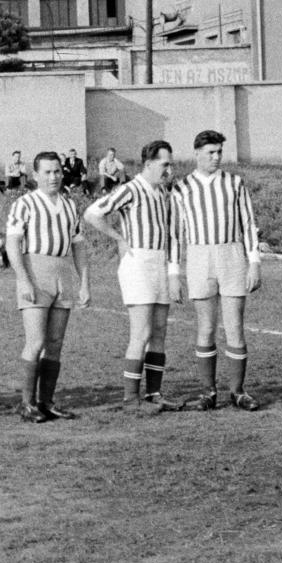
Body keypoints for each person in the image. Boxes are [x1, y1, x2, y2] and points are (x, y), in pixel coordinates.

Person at [85, 140, 187, 414]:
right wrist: (118, 237)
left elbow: (173, 235)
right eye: (165, 164)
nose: (169, 170)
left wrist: (174, 272)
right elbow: (93, 213)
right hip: (138, 263)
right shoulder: (131, 189)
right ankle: (131, 399)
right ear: (148, 164)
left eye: (170, 164)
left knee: (159, 333)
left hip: (159, 263)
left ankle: (154, 394)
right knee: (140, 332)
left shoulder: (163, 193)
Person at [170, 130, 264, 411]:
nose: (216, 157)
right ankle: (208, 392)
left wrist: (255, 261)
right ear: (196, 153)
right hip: (199, 256)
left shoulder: (235, 183)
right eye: (210, 152)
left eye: (219, 152)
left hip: (232, 253)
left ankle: (238, 391)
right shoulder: (182, 187)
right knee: (206, 327)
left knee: (234, 326)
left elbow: (248, 224)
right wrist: (174, 272)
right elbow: (176, 233)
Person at [7, 151, 91, 422]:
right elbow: (12, 244)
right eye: (47, 172)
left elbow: (78, 246)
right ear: (35, 175)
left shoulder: (69, 205)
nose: (53, 177)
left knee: (55, 343)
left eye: (57, 171)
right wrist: (23, 278)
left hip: (62, 272)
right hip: (35, 271)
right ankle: (26, 404)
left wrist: (84, 283)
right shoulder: (25, 204)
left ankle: (47, 402)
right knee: (36, 341)